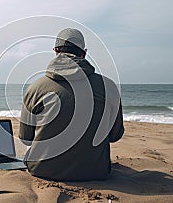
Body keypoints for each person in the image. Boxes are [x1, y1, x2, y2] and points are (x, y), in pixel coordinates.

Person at [19, 28, 124, 181]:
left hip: (43, 170)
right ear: (84, 53)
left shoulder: (36, 88)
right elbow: (115, 135)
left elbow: (25, 139)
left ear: (55, 50)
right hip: (95, 172)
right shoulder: (109, 87)